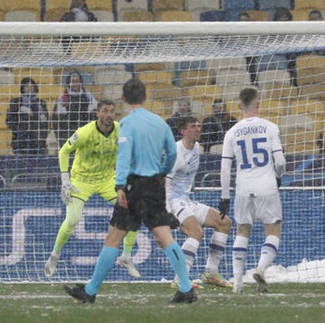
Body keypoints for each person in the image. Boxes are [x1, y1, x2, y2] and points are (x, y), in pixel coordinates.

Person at [63, 78, 196, 304]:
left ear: (123, 99)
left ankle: (90, 291)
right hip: (155, 184)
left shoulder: (126, 124)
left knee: (114, 237)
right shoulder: (160, 123)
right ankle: (185, 288)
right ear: (145, 97)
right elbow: (172, 155)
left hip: (134, 185)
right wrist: (163, 172)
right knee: (164, 236)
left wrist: (120, 185)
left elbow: (123, 156)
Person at [44, 100, 140, 278]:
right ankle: (54, 255)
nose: (109, 115)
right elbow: (63, 151)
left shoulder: (121, 130)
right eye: (105, 111)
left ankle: (126, 256)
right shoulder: (84, 132)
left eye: (112, 111)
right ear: (98, 113)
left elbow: (132, 150)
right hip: (81, 180)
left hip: (106, 179)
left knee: (133, 211)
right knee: (72, 220)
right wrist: (65, 178)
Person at [219, 88, 286, 294]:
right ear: (258, 104)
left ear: (239, 106)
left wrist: (224, 197)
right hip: (266, 185)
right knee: (273, 230)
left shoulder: (231, 132)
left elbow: (224, 168)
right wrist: (277, 176)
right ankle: (260, 268)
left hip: (242, 187)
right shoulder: (270, 127)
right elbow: (280, 161)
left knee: (242, 231)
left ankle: (237, 283)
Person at [166, 116, 233, 289]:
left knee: (224, 222)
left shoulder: (196, 147)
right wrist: (166, 210)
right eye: (193, 127)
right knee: (196, 231)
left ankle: (210, 272)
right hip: (173, 201)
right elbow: (164, 182)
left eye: (198, 126)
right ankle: (180, 278)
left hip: (186, 200)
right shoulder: (175, 152)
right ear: (183, 131)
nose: (198, 129)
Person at [53, 71, 98, 148]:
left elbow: (94, 114)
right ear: (68, 83)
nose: (75, 84)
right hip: (68, 132)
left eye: (77, 81)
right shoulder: (62, 98)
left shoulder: (88, 96)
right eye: (72, 81)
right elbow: (57, 120)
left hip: (84, 129)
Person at [6, 77, 50, 155]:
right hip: (20, 142)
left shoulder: (41, 103)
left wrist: (42, 135)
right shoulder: (16, 102)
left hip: (38, 142)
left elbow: (46, 123)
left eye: (31, 86)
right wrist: (21, 131)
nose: (29, 88)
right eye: (27, 86)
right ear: (22, 88)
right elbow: (10, 121)